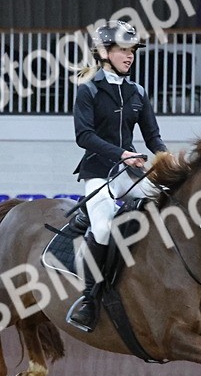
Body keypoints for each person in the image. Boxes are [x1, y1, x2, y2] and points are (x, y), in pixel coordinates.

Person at [68, 20, 168, 331]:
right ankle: (89, 297)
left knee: (171, 201)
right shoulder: (89, 91)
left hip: (131, 172)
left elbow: (152, 136)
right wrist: (121, 153)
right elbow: (83, 136)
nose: (129, 56)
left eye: (131, 51)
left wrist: (166, 159)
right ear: (104, 53)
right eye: (123, 50)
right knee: (101, 228)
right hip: (99, 172)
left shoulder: (137, 91)